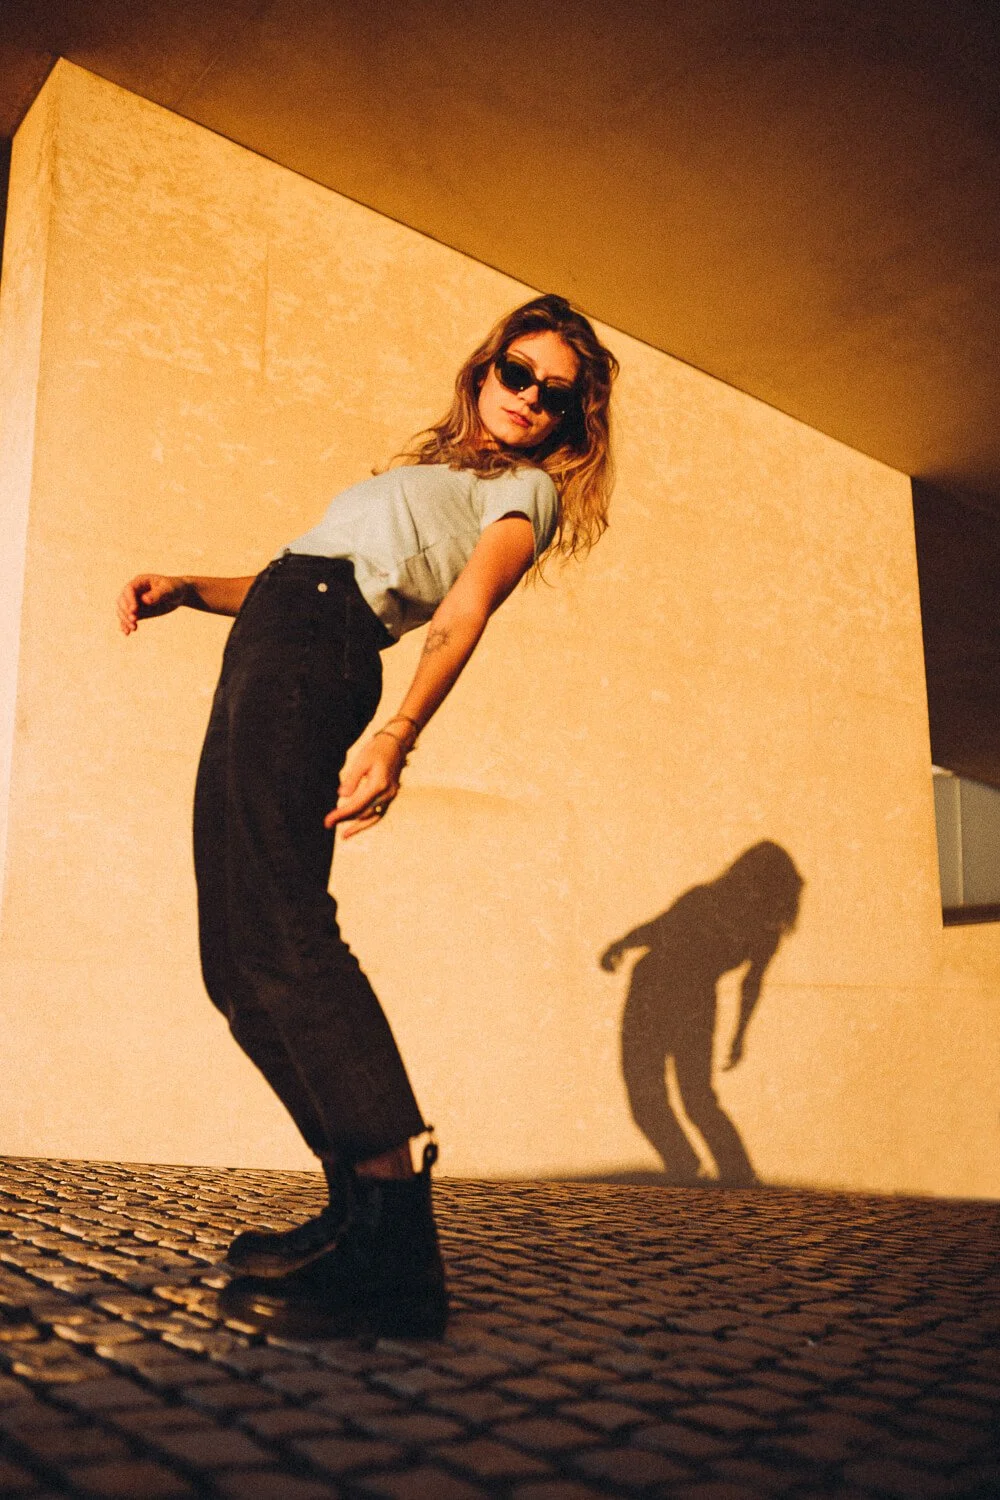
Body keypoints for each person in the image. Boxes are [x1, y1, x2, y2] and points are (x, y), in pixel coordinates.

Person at [116, 294, 618, 1338]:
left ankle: (394, 1250)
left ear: (571, 420)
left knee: (288, 929)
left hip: (317, 651)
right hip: (271, 633)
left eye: (553, 394)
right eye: (514, 373)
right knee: (233, 956)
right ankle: (354, 1210)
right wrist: (186, 586)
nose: (527, 398)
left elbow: (464, 608)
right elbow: (285, 576)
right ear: (483, 373)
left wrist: (397, 734)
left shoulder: (525, 491)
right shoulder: (433, 476)